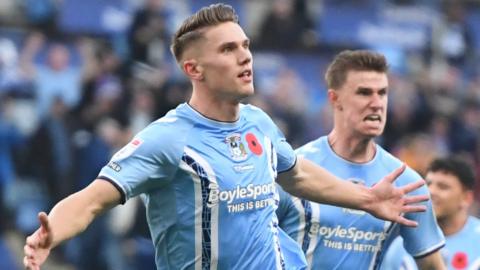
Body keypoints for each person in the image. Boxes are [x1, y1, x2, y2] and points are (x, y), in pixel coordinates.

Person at [24, 4, 429, 270]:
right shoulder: (167, 140)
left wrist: (367, 198)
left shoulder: (259, 123)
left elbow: (297, 176)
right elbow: (93, 199)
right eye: (229, 49)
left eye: (246, 46)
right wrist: (52, 232)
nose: (245, 56)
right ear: (194, 70)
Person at [276, 50, 446, 269]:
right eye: (364, 93)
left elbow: (432, 265)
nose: (377, 103)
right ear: (335, 99)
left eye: (383, 93)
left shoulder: (407, 184)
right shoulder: (294, 170)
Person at [381, 157, 480, 270]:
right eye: (427, 185)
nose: (431, 192)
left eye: (443, 187)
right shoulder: (401, 245)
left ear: (466, 198)